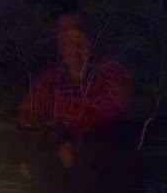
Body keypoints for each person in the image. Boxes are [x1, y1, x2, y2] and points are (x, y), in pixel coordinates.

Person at [17, 16, 131, 168]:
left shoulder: (108, 75)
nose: (73, 49)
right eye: (67, 44)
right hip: (57, 172)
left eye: (79, 43)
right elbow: (27, 118)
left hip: (98, 169)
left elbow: (112, 115)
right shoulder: (50, 81)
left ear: (89, 45)